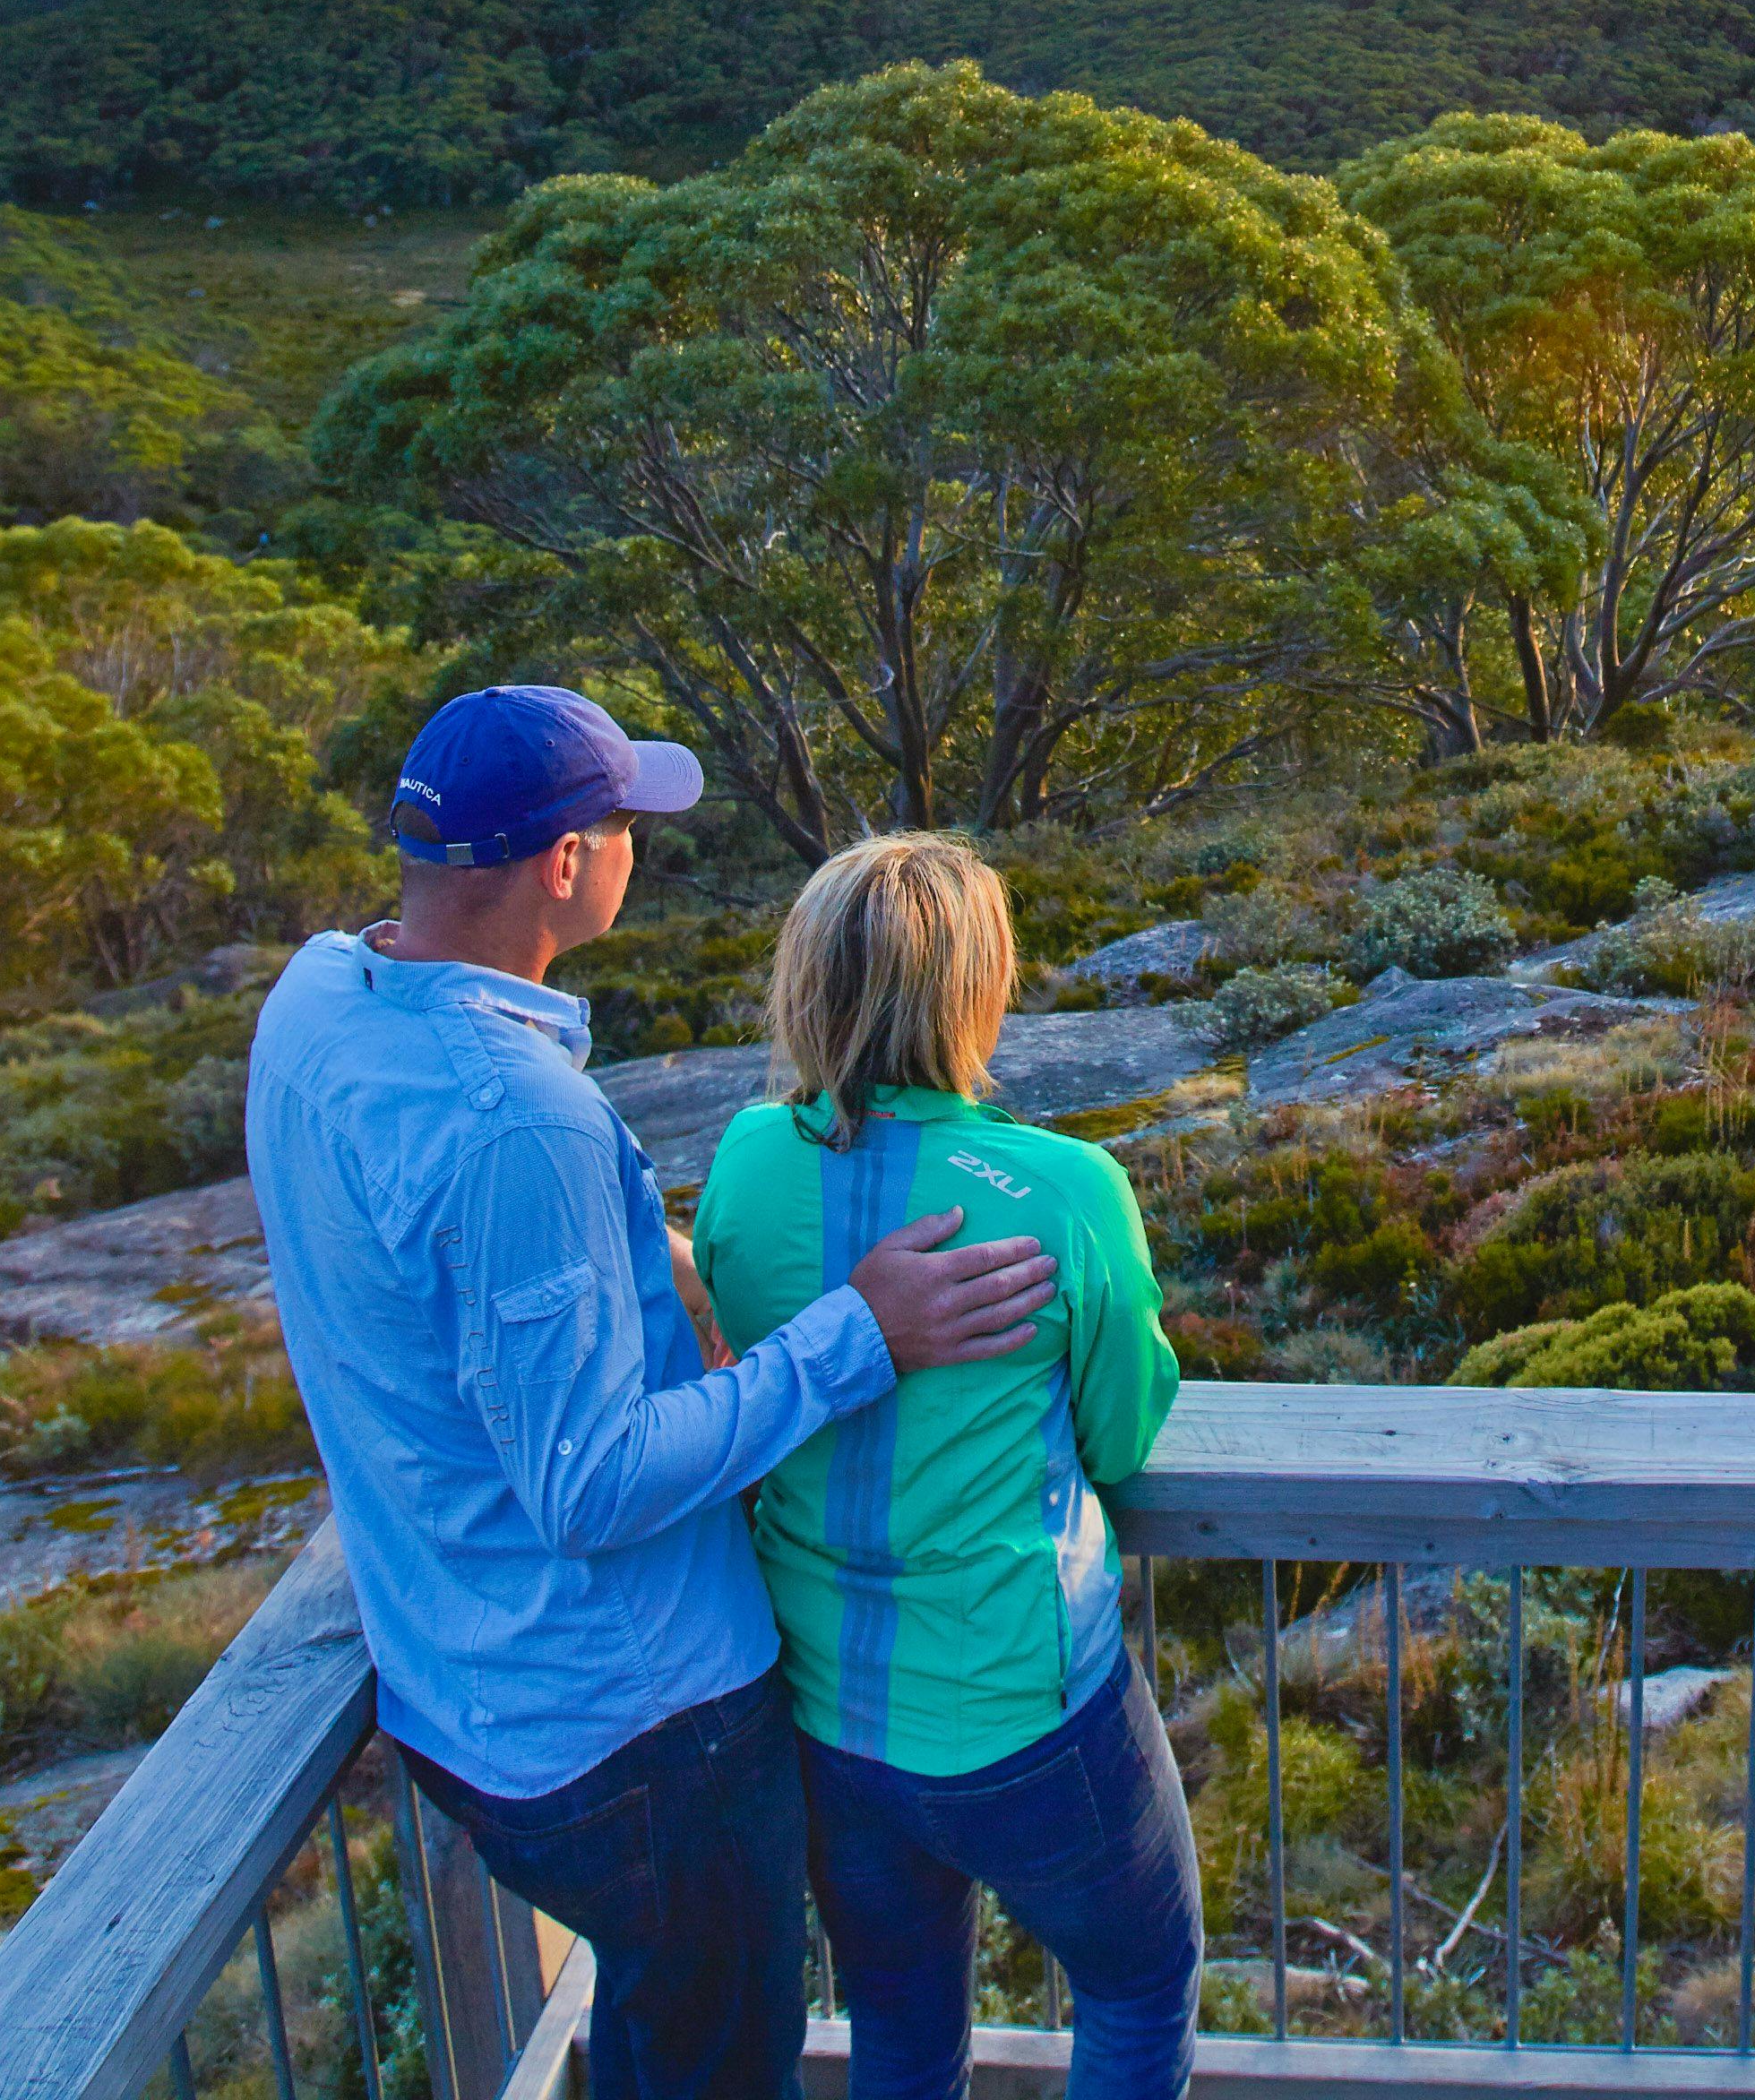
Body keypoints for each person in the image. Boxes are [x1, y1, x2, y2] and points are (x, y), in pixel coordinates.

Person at [251, 689, 1059, 2100]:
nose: (641, 846)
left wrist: (651, 1263)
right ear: (566, 862)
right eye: (626, 822)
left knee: (646, 2039)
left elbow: (439, 1271)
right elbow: (593, 1484)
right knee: (716, 2068)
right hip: (632, 1733)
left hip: (458, 1685)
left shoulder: (316, 1003)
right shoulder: (517, 1119)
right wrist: (856, 1333)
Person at [694, 833, 1198, 2100]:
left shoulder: (747, 1160)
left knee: (902, 2030)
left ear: (811, 980)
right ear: (975, 989)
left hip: (823, 1711)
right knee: (1139, 1988)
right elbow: (1124, 1433)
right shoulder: (1067, 1191)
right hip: (1025, 1708)